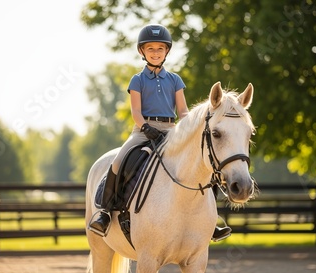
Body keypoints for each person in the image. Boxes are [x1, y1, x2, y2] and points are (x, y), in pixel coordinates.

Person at [88, 24, 232, 241]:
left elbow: (183, 111)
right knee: (118, 162)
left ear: (167, 52)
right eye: (151, 49)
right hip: (143, 130)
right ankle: (105, 213)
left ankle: (211, 220)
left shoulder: (175, 80)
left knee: (203, 165)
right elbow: (135, 111)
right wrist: (146, 127)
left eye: (160, 49)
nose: (155, 52)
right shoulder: (137, 80)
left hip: (171, 130)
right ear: (142, 52)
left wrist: (189, 129)